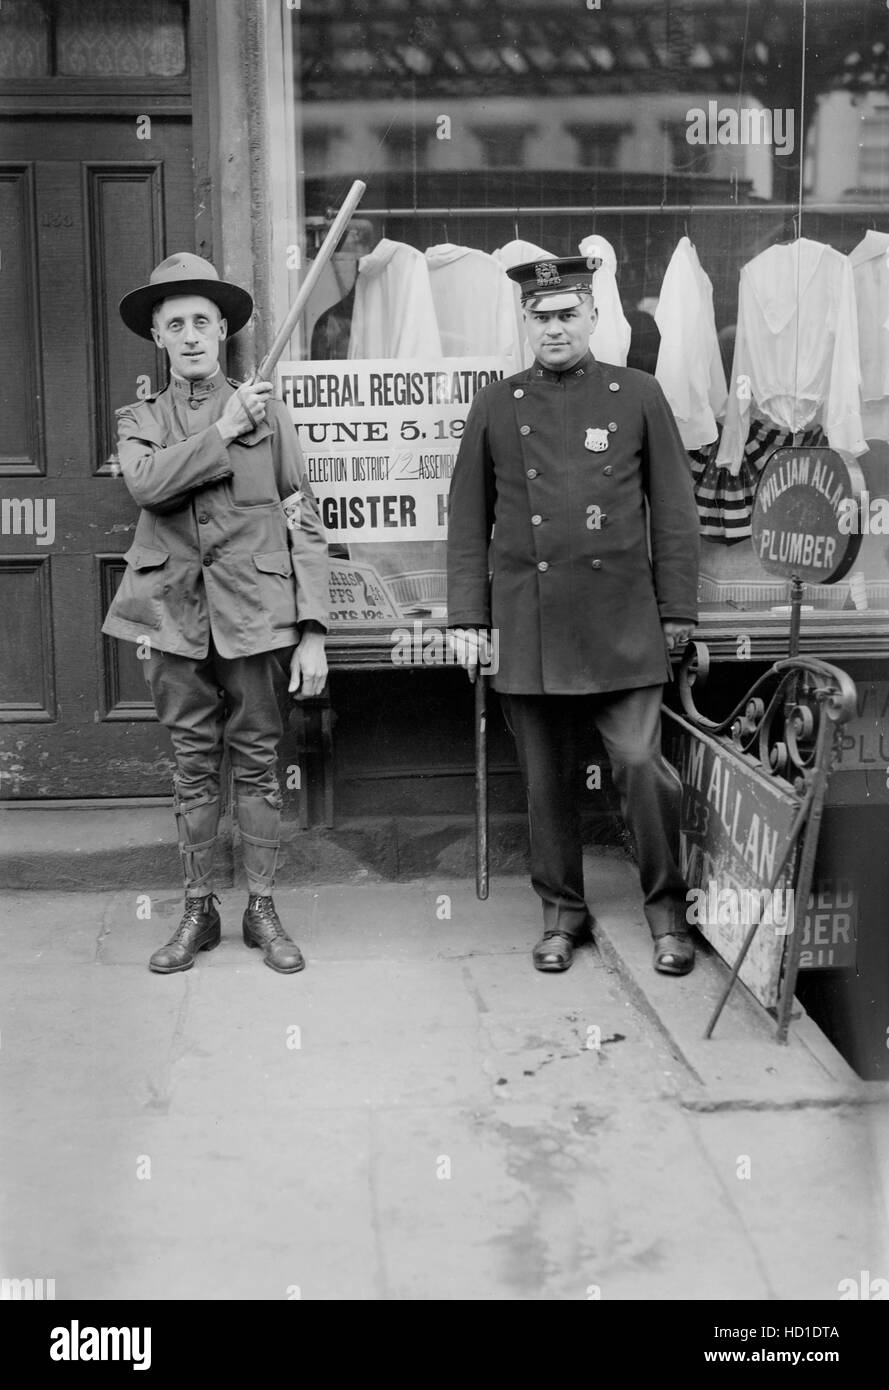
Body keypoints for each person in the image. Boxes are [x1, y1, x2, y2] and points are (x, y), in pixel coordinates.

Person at [447, 255, 700, 976]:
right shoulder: (498, 402)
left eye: (566, 315)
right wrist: (468, 617)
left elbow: (675, 514)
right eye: (540, 317)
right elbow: (467, 520)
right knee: (544, 781)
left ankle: (665, 913)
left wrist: (677, 612)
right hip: (527, 624)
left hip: (622, 622)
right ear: (524, 323)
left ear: (592, 317)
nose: (552, 328)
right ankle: (562, 914)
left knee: (636, 765)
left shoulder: (638, 394)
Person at [102, 253, 330, 975]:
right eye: (176, 325)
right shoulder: (141, 419)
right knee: (192, 768)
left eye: (203, 320)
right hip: (171, 616)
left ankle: (261, 907)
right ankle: (197, 908)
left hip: (257, 616)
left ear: (224, 330)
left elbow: (305, 522)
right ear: (159, 340)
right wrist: (224, 431)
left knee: (261, 765)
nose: (192, 335)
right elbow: (145, 484)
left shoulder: (271, 416)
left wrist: (313, 631)